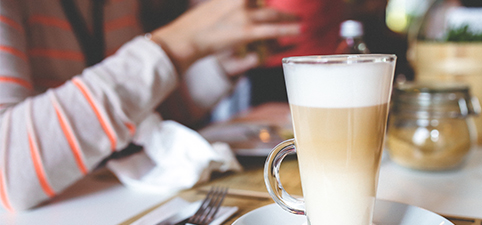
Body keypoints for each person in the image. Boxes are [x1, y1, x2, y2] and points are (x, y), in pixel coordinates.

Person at [0, 0, 300, 212]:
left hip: (113, 210)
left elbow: (137, 122)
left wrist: (216, 69)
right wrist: (176, 45)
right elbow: (8, 171)